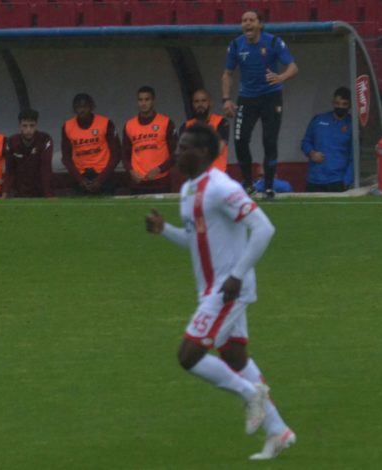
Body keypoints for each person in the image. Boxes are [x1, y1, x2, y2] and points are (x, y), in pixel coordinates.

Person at [145, 123, 295, 460]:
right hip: (213, 289)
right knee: (234, 357)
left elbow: (263, 228)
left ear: (203, 153)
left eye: (184, 147)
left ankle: (248, 394)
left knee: (189, 356)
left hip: (228, 290)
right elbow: (195, 242)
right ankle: (278, 431)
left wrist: (237, 275)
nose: (177, 152)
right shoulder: (188, 191)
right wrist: (163, 229)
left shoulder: (221, 187)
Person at [222, 9, 299, 200]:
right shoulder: (235, 45)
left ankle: (269, 187)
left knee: (269, 141)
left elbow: (293, 67)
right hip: (246, 99)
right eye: (244, 20)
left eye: (251, 20)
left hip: (270, 97)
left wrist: (280, 77)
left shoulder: (273, 42)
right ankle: (248, 184)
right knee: (240, 140)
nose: (247, 23)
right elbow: (227, 73)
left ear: (260, 24)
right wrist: (226, 99)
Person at [60, 93, 120, 195]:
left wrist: (100, 180)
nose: (82, 110)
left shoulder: (105, 123)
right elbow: (66, 158)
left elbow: (116, 154)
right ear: (74, 109)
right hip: (81, 178)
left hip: (103, 176)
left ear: (92, 107)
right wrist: (80, 180)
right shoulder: (67, 127)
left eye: (85, 106)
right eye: (78, 107)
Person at [122, 86, 178, 194]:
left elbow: (176, 152)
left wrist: (159, 169)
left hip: (160, 180)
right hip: (138, 181)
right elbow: (124, 154)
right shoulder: (129, 125)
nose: (143, 103)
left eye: (147, 99)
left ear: (153, 101)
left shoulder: (166, 123)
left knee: (161, 211)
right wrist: (131, 171)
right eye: (140, 100)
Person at [301, 87, 353, 192]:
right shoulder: (319, 119)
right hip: (314, 178)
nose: (340, 106)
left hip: (337, 180)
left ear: (350, 105)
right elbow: (306, 142)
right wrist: (311, 153)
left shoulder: (353, 124)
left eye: (344, 104)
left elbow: (355, 156)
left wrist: (347, 180)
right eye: (337, 103)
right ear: (333, 103)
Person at [4, 108, 54, 198]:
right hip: (18, 191)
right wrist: (5, 193)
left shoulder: (45, 139)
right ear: (19, 126)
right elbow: (9, 170)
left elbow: (46, 168)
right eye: (25, 126)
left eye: (32, 126)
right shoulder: (11, 141)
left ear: (36, 125)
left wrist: (48, 194)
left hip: (40, 191)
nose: (28, 129)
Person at [179, 88, 230, 173]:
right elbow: (184, 153)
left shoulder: (221, 122)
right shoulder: (186, 126)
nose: (200, 104)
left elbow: (219, 148)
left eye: (203, 101)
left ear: (210, 103)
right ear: (192, 104)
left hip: (217, 175)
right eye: (196, 101)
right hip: (196, 176)